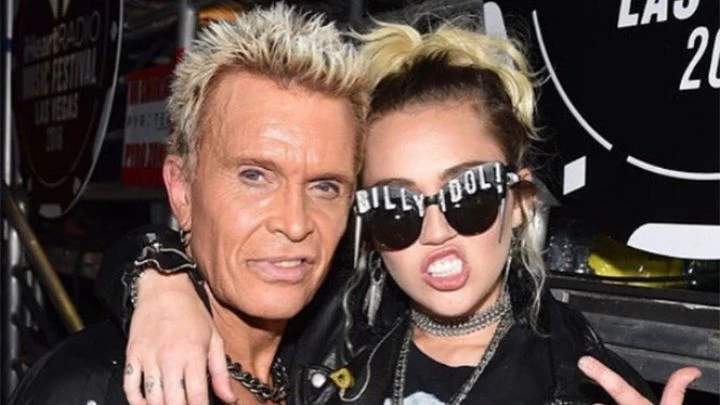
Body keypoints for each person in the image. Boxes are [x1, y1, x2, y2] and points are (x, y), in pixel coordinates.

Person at [95, 16, 701, 405]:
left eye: (468, 194)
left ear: (517, 202)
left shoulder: (583, 381)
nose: (435, 230)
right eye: (396, 206)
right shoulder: (337, 330)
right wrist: (160, 277)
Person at [9, 4, 368, 404]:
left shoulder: (355, 351)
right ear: (182, 190)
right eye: (254, 176)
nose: (295, 222)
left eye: (325, 187)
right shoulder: (87, 388)